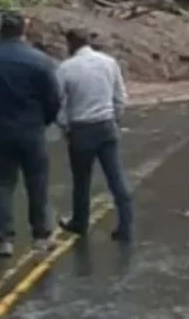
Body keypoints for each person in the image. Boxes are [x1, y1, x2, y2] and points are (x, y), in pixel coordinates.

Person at [0, 11, 60, 257]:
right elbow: (53, 99)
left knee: (2, 183)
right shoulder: (40, 61)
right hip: (31, 129)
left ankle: (4, 238)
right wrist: (43, 120)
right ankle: (40, 234)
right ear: (23, 30)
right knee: (36, 181)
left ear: (0, 29)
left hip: (0, 128)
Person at [56, 28, 133, 242]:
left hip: (81, 128)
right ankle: (126, 224)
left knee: (81, 180)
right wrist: (115, 119)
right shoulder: (109, 63)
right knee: (116, 177)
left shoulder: (65, 69)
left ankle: (80, 222)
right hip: (106, 125)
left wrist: (65, 126)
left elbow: (58, 103)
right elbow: (120, 97)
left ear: (70, 44)